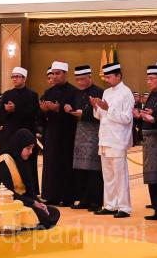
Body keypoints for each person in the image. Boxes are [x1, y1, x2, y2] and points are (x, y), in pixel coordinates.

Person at [0, 129, 60, 229]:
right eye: (28, 148)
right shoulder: (3, 163)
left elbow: (29, 190)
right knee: (43, 217)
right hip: (8, 205)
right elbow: (8, 195)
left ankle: (29, 225)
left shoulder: (21, 160)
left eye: (32, 148)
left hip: (22, 203)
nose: (31, 152)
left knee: (53, 212)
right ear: (19, 146)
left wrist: (39, 203)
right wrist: (32, 203)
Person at [92, 62, 134, 218]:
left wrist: (108, 109)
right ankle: (110, 205)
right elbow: (100, 117)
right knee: (108, 176)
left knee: (120, 176)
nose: (106, 80)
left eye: (109, 77)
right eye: (105, 77)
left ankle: (124, 207)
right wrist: (96, 107)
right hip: (104, 138)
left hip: (118, 140)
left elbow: (127, 118)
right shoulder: (106, 92)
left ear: (118, 76)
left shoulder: (126, 93)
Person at [40, 61, 79, 206]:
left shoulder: (74, 92)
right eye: (53, 74)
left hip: (68, 134)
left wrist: (59, 109)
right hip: (51, 133)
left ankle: (67, 197)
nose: (55, 76)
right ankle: (51, 195)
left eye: (58, 73)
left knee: (66, 165)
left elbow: (76, 115)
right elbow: (41, 117)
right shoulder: (48, 92)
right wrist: (44, 111)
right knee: (51, 165)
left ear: (65, 74)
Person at [65, 65, 104, 211]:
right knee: (81, 169)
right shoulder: (77, 93)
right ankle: (83, 200)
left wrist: (85, 114)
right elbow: (75, 110)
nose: (80, 82)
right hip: (80, 134)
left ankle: (95, 201)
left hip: (94, 134)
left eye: (82, 79)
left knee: (94, 169)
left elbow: (102, 114)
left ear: (90, 77)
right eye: (77, 80)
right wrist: (69, 110)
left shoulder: (99, 92)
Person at [0, 67, 41, 193]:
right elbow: (0, 115)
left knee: (27, 164)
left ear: (24, 78)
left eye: (17, 76)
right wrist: (7, 111)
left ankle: (29, 191)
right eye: (13, 76)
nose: (14, 79)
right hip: (10, 134)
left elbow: (33, 114)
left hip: (26, 133)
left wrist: (16, 109)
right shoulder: (7, 94)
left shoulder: (32, 95)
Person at [139, 64, 157, 221]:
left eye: (151, 79)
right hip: (148, 140)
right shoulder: (152, 95)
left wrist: (153, 118)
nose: (148, 82)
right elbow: (153, 113)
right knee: (151, 177)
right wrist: (141, 115)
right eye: (147, 79)